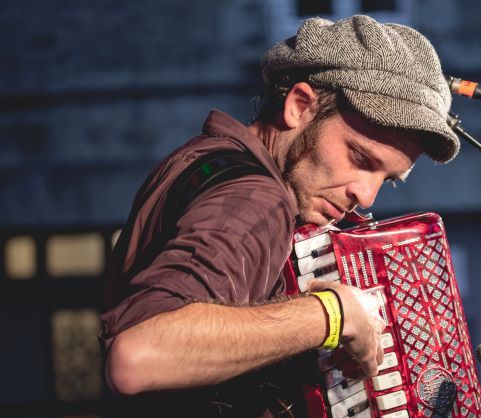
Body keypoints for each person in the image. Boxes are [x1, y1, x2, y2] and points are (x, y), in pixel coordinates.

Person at [100, 14, 459, 417]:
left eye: (388, 179)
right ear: (300, 106)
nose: (366, 195)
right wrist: (332, 313)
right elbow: (137, 356)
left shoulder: (204, 161)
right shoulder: (257, 198)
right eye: (359, 157)